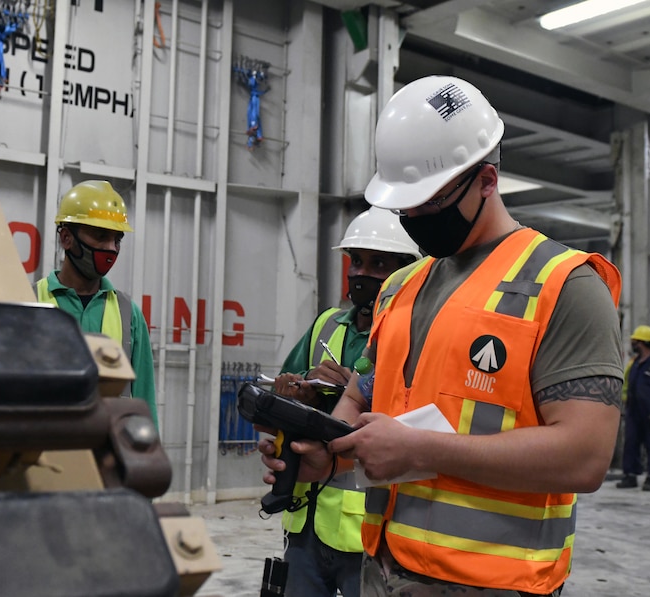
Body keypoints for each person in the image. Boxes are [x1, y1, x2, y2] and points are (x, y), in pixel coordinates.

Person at [259, 75, 623, 596]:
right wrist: (326, 459)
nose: (414, 217)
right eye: (404, 205)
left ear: (487, 180)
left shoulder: (565, 284)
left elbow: (586, 456)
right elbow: (367, 403)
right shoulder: (401, 288)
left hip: (495, 585)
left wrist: (423, 451)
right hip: (382, 573)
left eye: (429, 201)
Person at [273, 208, 420, 597]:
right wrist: (296, 395)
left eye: (378, 263)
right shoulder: (326, 325)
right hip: (306, 519)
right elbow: (281, 394)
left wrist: (347, 397)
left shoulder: (412, 336)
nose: (361, 273)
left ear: (405, 271)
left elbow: (414, 427)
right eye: (355, 261)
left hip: (368, 531)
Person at [36, 180, 157, 428]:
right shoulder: (31, 301)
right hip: (44, 452)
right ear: (67, 238)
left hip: (106, 456)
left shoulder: (129, 313)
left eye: (117, 239)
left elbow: (144, 400)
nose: (111, 248)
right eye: (101, 236)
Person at [616, 325, 650, 489]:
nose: (633, 344)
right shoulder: (634, 363)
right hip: (633, 410)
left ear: (643, 342)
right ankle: (630, 476)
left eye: (635, 341)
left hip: (648, 411)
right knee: (631, 443)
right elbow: (627, 383)